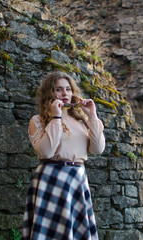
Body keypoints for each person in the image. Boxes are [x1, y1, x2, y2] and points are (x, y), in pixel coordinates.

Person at [22, 71, 105, 240]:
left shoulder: (82, 120)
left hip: (77, 179)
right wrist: (57, 116)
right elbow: (46, 152)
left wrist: (92, 115)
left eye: (68, 89)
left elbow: (97, 149)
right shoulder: (38, 120)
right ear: (49, 93)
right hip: (51, 179)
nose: (65, 93)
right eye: (58, 89)